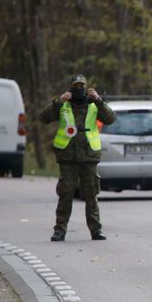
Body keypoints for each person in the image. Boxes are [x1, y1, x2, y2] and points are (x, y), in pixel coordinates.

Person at [39, 74, 115, 241]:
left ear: (86, 87)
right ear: (70, 88)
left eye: (82, 86)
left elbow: (110, 118)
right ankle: (59, 230)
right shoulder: (63, 104)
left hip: (89, 156)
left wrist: (99, 100)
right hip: (68, 156)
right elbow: (43, 118)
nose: (79, 89)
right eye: (76, 86)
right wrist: (58, 101)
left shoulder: (94, 104)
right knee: (65, 194)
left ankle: (96, 230)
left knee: (91, 194)